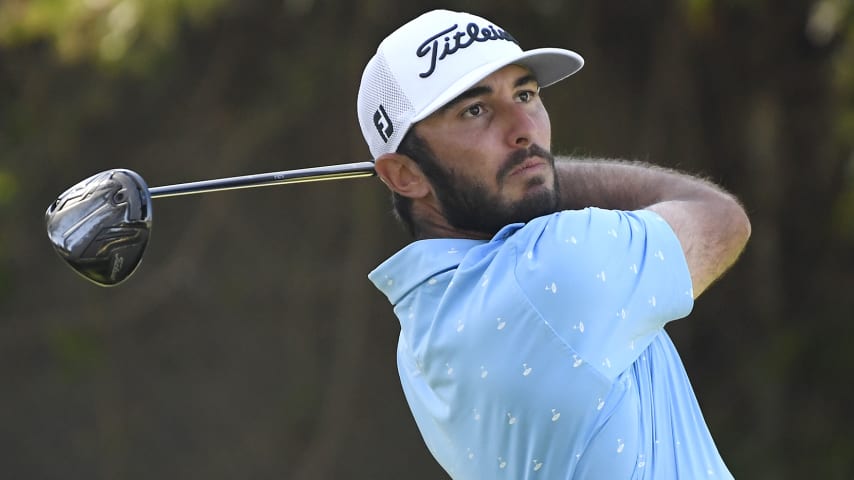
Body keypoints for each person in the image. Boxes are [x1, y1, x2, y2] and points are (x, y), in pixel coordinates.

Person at [358, 9, 751, 480]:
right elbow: (720, 218)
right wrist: (538, 170)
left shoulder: (419, 336)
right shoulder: (555, 266)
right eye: (475, 110)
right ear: (404, 174)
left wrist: (521, 171)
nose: (523, 128)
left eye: (525, 94)